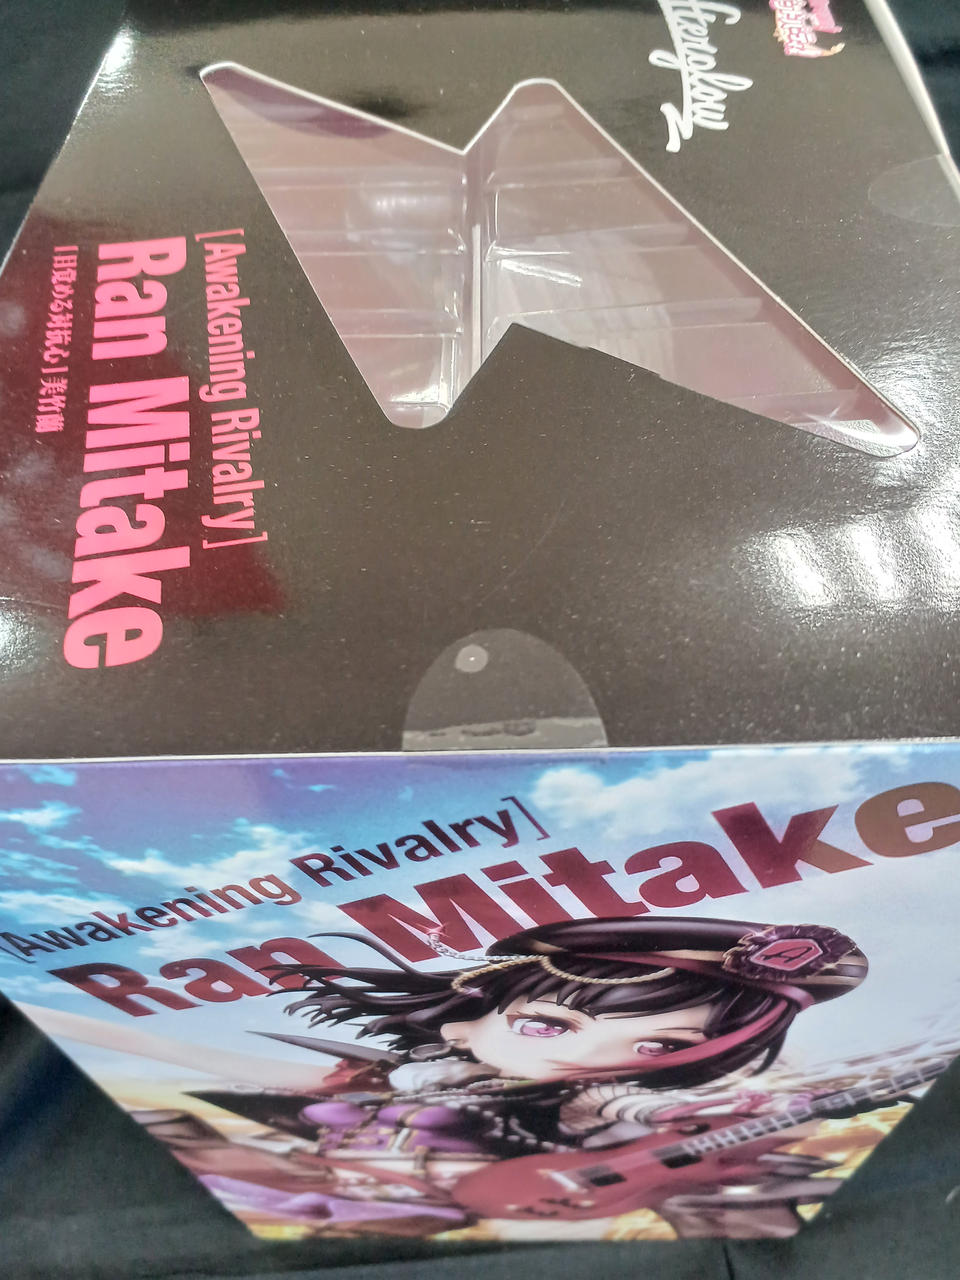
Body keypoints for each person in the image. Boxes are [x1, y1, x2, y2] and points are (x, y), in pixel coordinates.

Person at [247, 914, 867, 1237]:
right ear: (462, 1026)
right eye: (547, 1026)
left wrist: (670, 1113)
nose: (591, 1058)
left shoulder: (613, 1099)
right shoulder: (428, 1080)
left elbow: (624, 1105)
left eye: (661, 1045)